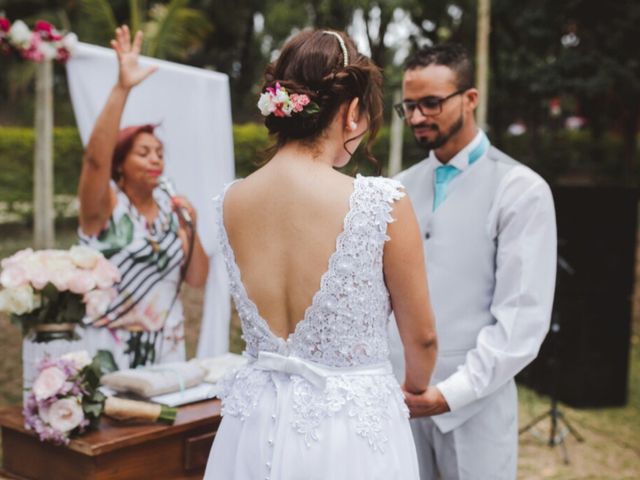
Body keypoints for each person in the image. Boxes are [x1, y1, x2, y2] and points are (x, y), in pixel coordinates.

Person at [204, 29, 438, 479]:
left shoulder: (231, 201)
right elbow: (422, 337)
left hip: (253, 426)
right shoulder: (382, 202)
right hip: (350, 434)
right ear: (351, 112)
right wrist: (414, 387)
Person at [388, 44, 557, 479]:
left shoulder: (520, 189)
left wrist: (450, 394)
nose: (418, 117)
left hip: (476, 407)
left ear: (470, 99)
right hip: (396, 404)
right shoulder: (397, 188)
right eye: (409, 106)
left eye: (431, 103)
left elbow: (522, 319)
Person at [77, 26, 209, 369]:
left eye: (160, 153)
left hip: (167, 346)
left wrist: (192, 226)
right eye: (144, 152)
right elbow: (94, 161)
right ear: (119, 164)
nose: (155, 159)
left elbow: (196, 280)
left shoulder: (171, 211)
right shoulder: (105, 207)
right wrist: (122, 88)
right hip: (110, 347)